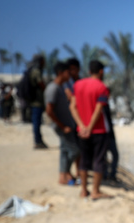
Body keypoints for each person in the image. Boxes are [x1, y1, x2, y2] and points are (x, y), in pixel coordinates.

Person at [69, 60, 111, 200]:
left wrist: (82, 126)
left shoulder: (77, 85)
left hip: (81, 130)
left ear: (88, 71)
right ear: (101, 72)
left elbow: (72, 107)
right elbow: (98, 110)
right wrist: (90, 128)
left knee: (84, 160)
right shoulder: (102, 87)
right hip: (98, 130)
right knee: (99, 160)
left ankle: (83, 190)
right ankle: (95, 191)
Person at [45, 61, 81, 185]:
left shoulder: (61, 87)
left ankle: (63, 176)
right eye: (67, 72)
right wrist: (62, 126)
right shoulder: (53, 88)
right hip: (62, 127)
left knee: (65, 151)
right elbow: (49, 111)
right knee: (75, 150)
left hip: (66, 125)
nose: (69, 74)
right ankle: (65, 173)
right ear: (61, 73)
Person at [29, 54, 48, 149]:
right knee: (36, 122)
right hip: (36, 101)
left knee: (37, 122)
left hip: (35, 101)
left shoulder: (34, 70)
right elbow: (41, 84)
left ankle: (38, 140)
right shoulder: (36, 71)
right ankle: (38, 141)